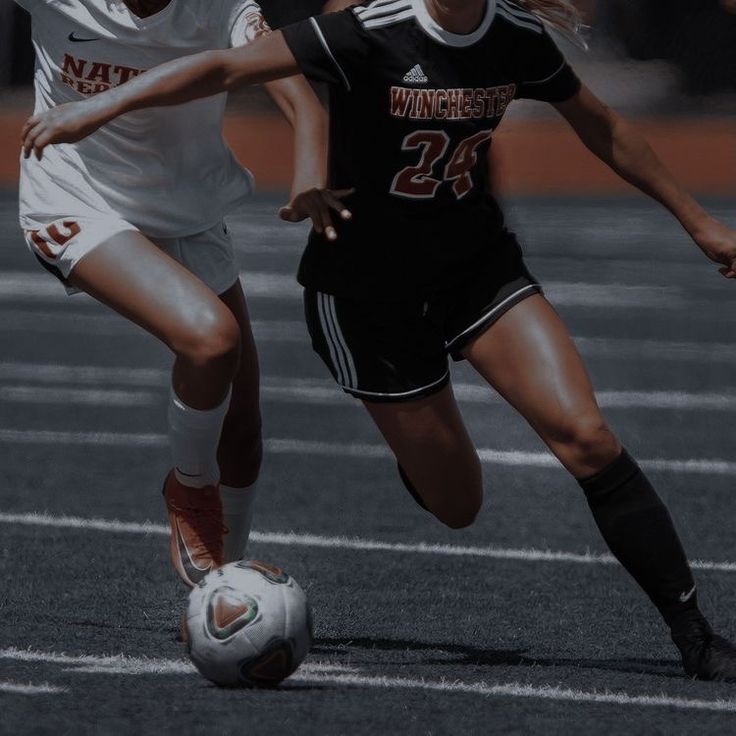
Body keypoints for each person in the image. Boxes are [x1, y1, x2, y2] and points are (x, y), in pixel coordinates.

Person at [20, 0, 736, 682]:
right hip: (368, 300)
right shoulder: (368, 29)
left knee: (587, 437)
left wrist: (697, 222)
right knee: (458, 504)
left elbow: (602, 125)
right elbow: (227, 70)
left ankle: (696, 636)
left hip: (475, 271)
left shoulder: (513, 32)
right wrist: (99, 106)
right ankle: (408, 451)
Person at [13, 0, 328, 587]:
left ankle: (221, 592)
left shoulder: (220, 5)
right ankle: (188, 487)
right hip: (76, 201)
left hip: (191, 213)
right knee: (211, 339)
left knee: (243, 431)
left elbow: (295, 89)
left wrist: (310, 167)